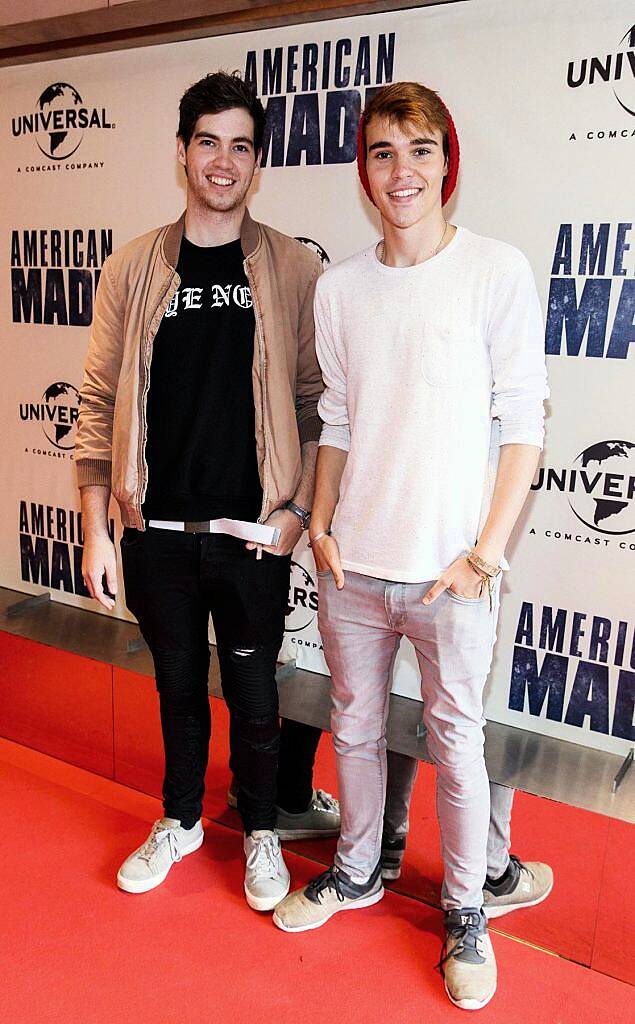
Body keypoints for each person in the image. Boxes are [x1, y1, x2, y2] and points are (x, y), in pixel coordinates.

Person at [273, 82, 552, 1011]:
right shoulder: (342, 288)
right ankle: (356, 872)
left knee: (457, 747)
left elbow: (522, 427)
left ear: (447, 162)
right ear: (364, 169)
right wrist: (318, 522)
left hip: (452, 576)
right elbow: (339, 418)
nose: (402, 170)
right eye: (384, 152)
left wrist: (483, 554)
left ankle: (466, 910)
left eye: (419, 149)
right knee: (351, 727)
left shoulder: (495, 271)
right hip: (353, 565)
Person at [74, 70, 339, 912]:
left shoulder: (292, 265)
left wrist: (299, 516)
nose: (222, 161)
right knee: (179, 690)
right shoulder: (132, 265)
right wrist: (96, 530)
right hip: (153, 527)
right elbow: (96, 402)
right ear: (182, 152)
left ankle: (260, 829)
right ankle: (181, 820)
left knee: (258, 697)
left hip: (254, 532)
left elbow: (315, 401)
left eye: (240, 146)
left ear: (257, 164)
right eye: (207, 142)